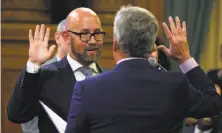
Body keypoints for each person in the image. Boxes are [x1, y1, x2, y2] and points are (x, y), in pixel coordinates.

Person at [65, 6, 221, 133]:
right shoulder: (175, 84)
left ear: (115, 44)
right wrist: (186, 58)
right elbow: (213, 104)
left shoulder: (87, 88)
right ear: (152, 45)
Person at [7, 7, 105, 133]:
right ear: (67, 37)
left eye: (97, 34)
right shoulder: (46, 77)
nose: (93, 41)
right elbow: (17, 114)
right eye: (84, 34)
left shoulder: (111, 79)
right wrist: (33, 64)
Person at [20, 19, 69, 133]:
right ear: (58, 38)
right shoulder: (39, 72)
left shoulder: (93, 73)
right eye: (69, 36)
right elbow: (28, 120)